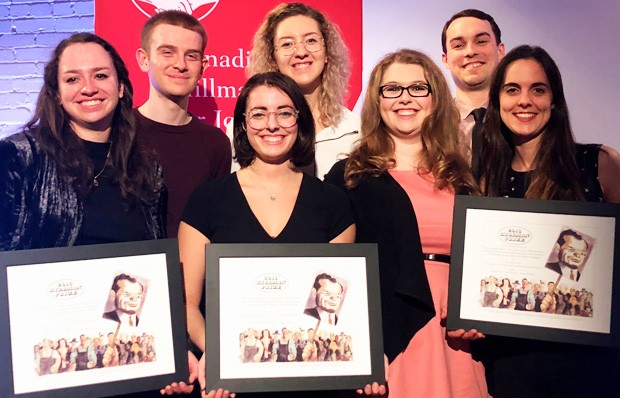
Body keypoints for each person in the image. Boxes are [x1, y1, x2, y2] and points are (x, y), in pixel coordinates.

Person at [178, 71, 355, 398]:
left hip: (311, 380)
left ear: (299, 121)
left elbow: (339, 308)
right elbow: (187, 302)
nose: (272, 124)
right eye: (258, 114)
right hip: (233, 383)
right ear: (243, 124)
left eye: (284, 113)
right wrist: (219, 357)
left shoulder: (332, 202)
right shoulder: (207, 199)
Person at [325, 49, 487, 398]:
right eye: (392, 89)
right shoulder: (350, 177)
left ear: (436, 99)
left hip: (454, 336)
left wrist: (478, 309)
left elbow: (480, 261)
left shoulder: (462, 177)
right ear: (376, 100)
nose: (405, 98)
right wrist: (359, 349)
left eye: (418, 88)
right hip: (387, 333)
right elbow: (332, 272)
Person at [476, 44, 620, 397]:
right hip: (510, 360)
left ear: (554, 101)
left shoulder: (598, 163)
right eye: (512, 90)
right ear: (496, 103)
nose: (524, 101)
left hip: (587, 360)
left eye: (537, 89)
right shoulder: (482, 180)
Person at [0, 32, 165, 250]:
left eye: (101, 76)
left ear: (121, 87)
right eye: (72, 79)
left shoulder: (146, 168)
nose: (88, 88)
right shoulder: (17, 157)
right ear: (57, 93)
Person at [229, 2, 360, 179]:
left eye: (311, 41)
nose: (300, 52)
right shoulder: (248, 128)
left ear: (327, 52)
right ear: (272, 57)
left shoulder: (356, 130)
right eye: (287, 44)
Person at [135, 10, 231, 237]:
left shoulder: (216, 143)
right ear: (144, 59)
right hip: (126, 269)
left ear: (203, 67)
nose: (180, 64)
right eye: (168, 52)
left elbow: (216, 224)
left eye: (191, 55)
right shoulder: (117, 131)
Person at [441, 9, 505, 175]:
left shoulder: (522, 121)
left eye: (481, 41)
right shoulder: (430, 124)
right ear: (445, 59)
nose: (470, 52)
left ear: (500, 51)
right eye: (458, 45)